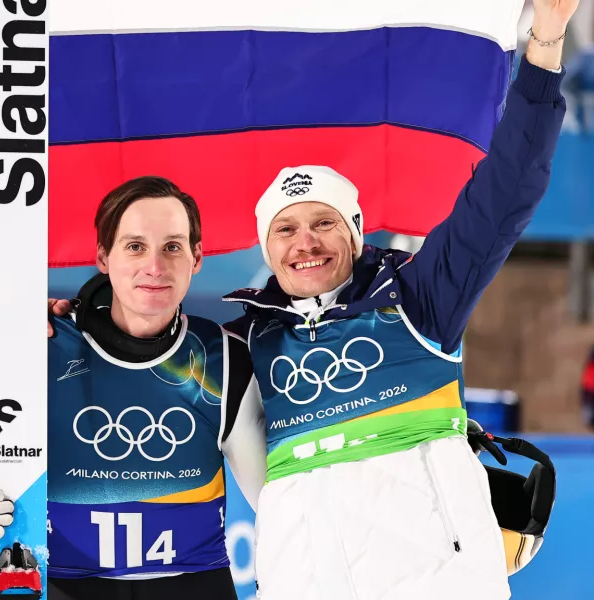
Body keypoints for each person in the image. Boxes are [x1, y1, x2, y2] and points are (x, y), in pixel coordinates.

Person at [216, 2, 576, 598]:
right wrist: (68, 324)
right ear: (268, 249)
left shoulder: (420, 297)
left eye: (324, 223)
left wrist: (545, 42)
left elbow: (506, 189)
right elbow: (136, 363)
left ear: (356, 234)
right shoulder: (243, 343)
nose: (305, 242)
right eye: (285, 229)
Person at [20, 176, 266, 599]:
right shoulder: (40, 343)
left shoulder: (224, 358)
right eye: (135, 246)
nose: (155, 266)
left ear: (197, 257)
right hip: (67, 584)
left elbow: (275, 504)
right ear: (103, 256)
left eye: (172, 247)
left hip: (193, 584)